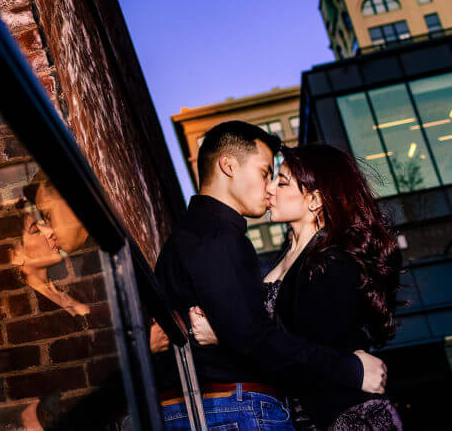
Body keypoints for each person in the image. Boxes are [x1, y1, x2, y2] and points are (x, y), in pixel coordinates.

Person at [151, 121, 387, 429]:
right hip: (236, 408)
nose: (270, 187)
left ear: (314, 200)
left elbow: (287, 337)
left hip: (319, 413)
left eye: (281, 181)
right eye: (266, 173)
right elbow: (254, 338)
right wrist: (230, 335)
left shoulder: (332, 261)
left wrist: (225, 334)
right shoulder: (219, 238)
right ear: (228, 165)